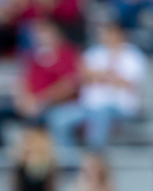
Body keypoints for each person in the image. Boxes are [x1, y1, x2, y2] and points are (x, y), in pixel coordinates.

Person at [45, 20, 146, 153]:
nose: (106, 36)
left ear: (120, 34)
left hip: (120, 107)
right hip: (88, 106)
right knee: (57, 118)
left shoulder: (133, 55)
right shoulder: (94, 53)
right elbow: (82, 77)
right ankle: (68, 161)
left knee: (100, 113)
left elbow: (128, 82)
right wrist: (108, 76)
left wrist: (99, 76)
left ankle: (95, 157)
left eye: (110, 33)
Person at [0, 19, 81, 150]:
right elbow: (23, 81)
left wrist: (42, 100)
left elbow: (70, 84)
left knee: (39, 118)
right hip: (32, 104)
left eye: (44, 32)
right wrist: (24, 100)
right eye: (38, 33)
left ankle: (37, 156)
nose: (40, 36)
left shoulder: (68, 54)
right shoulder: (33, 56)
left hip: (55, 105)